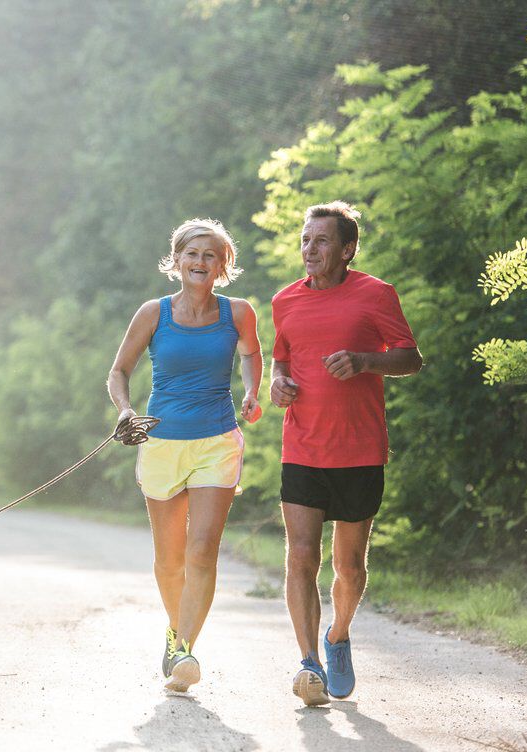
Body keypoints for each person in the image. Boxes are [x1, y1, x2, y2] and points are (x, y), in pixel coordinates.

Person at [269, 201, 422, 706]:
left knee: (350, 568)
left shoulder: (376, 295)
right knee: (300, 557)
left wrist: (362, 361)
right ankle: (309, 662)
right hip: (303, 445)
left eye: (322, 241)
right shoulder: (285, 300)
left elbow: (409, 358)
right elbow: (282, 358)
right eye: (306, 240)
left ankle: (338, 635)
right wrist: (278, 383)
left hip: (359, 449)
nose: (310, 249)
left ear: (347, 248)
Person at [108, 218, 262, 692]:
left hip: (217, 441)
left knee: (202, 550)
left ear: (223, 264)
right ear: (176, 261)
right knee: (170, 558)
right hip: (161, 444)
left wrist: (252, 391)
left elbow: (252, 354)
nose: (200, 262)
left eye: (209, 255)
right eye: (192, 254)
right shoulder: (154, 313)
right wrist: (126, 410)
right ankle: (177, 634)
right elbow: (119, 371)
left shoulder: (238, 312)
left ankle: (184, 649)